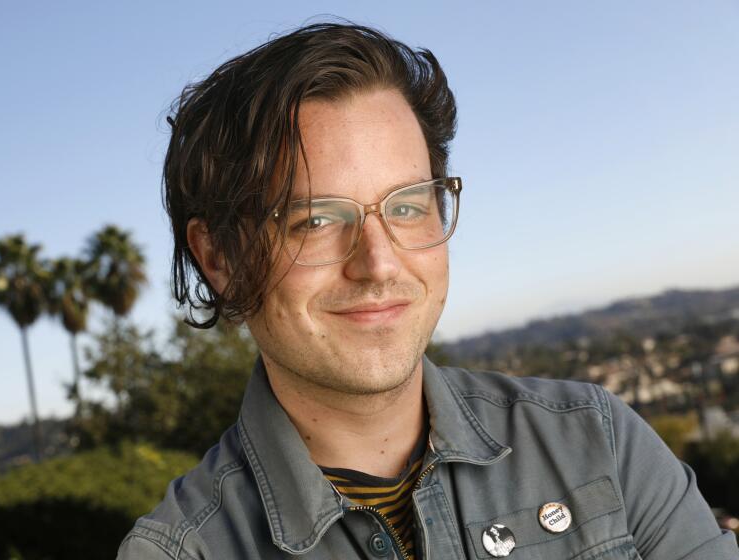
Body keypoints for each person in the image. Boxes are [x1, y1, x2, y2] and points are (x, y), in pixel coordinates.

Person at [117, 22, 738, 560]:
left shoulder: (598, 442)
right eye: (315, 220)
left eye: (408, 207)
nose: (379, 262)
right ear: (220, 258)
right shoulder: (182, 552)